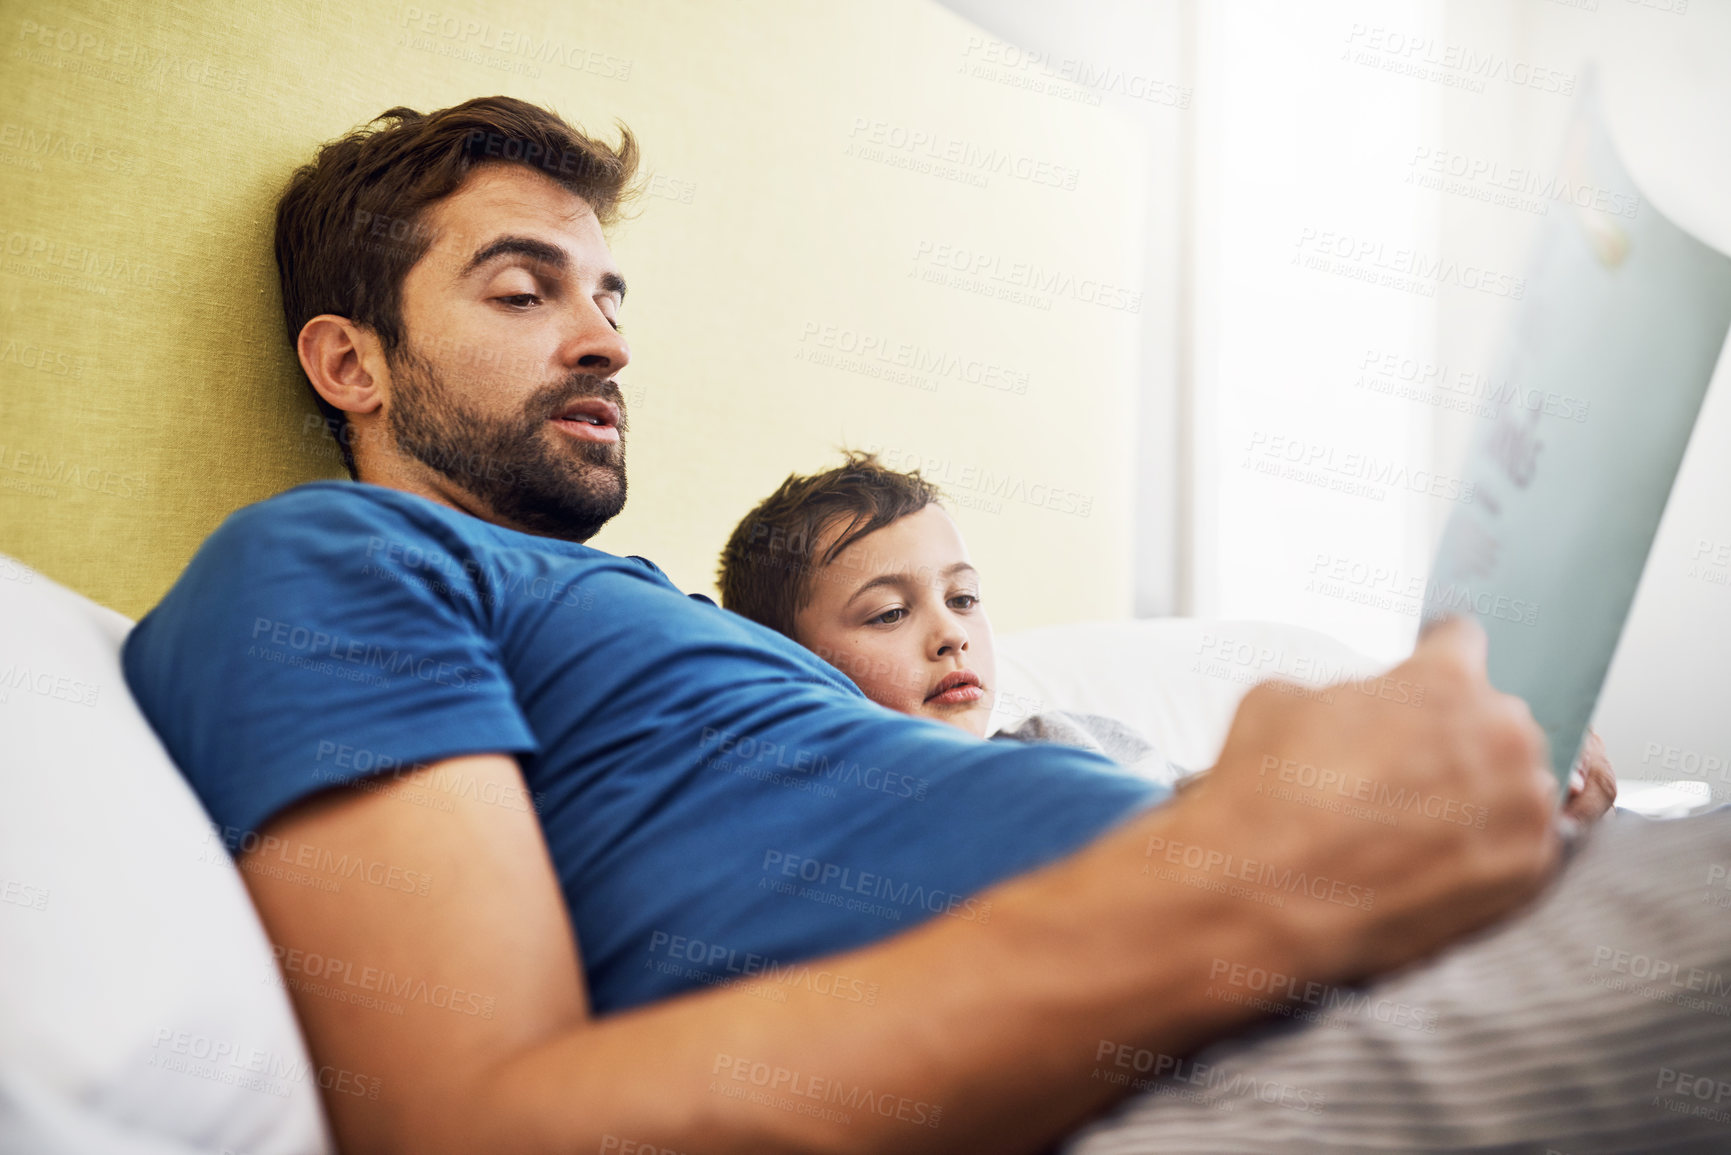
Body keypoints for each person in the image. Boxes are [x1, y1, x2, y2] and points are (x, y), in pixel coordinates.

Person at [119, 95, 1714, 1155]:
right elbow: (482, 1123)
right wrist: (1269, 876)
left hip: (1347, 950)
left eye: (613, 299)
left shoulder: (666, 624)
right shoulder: (322, 562)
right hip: (1218, 1044)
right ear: (351, 365)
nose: (602, 341)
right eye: (524, 291)